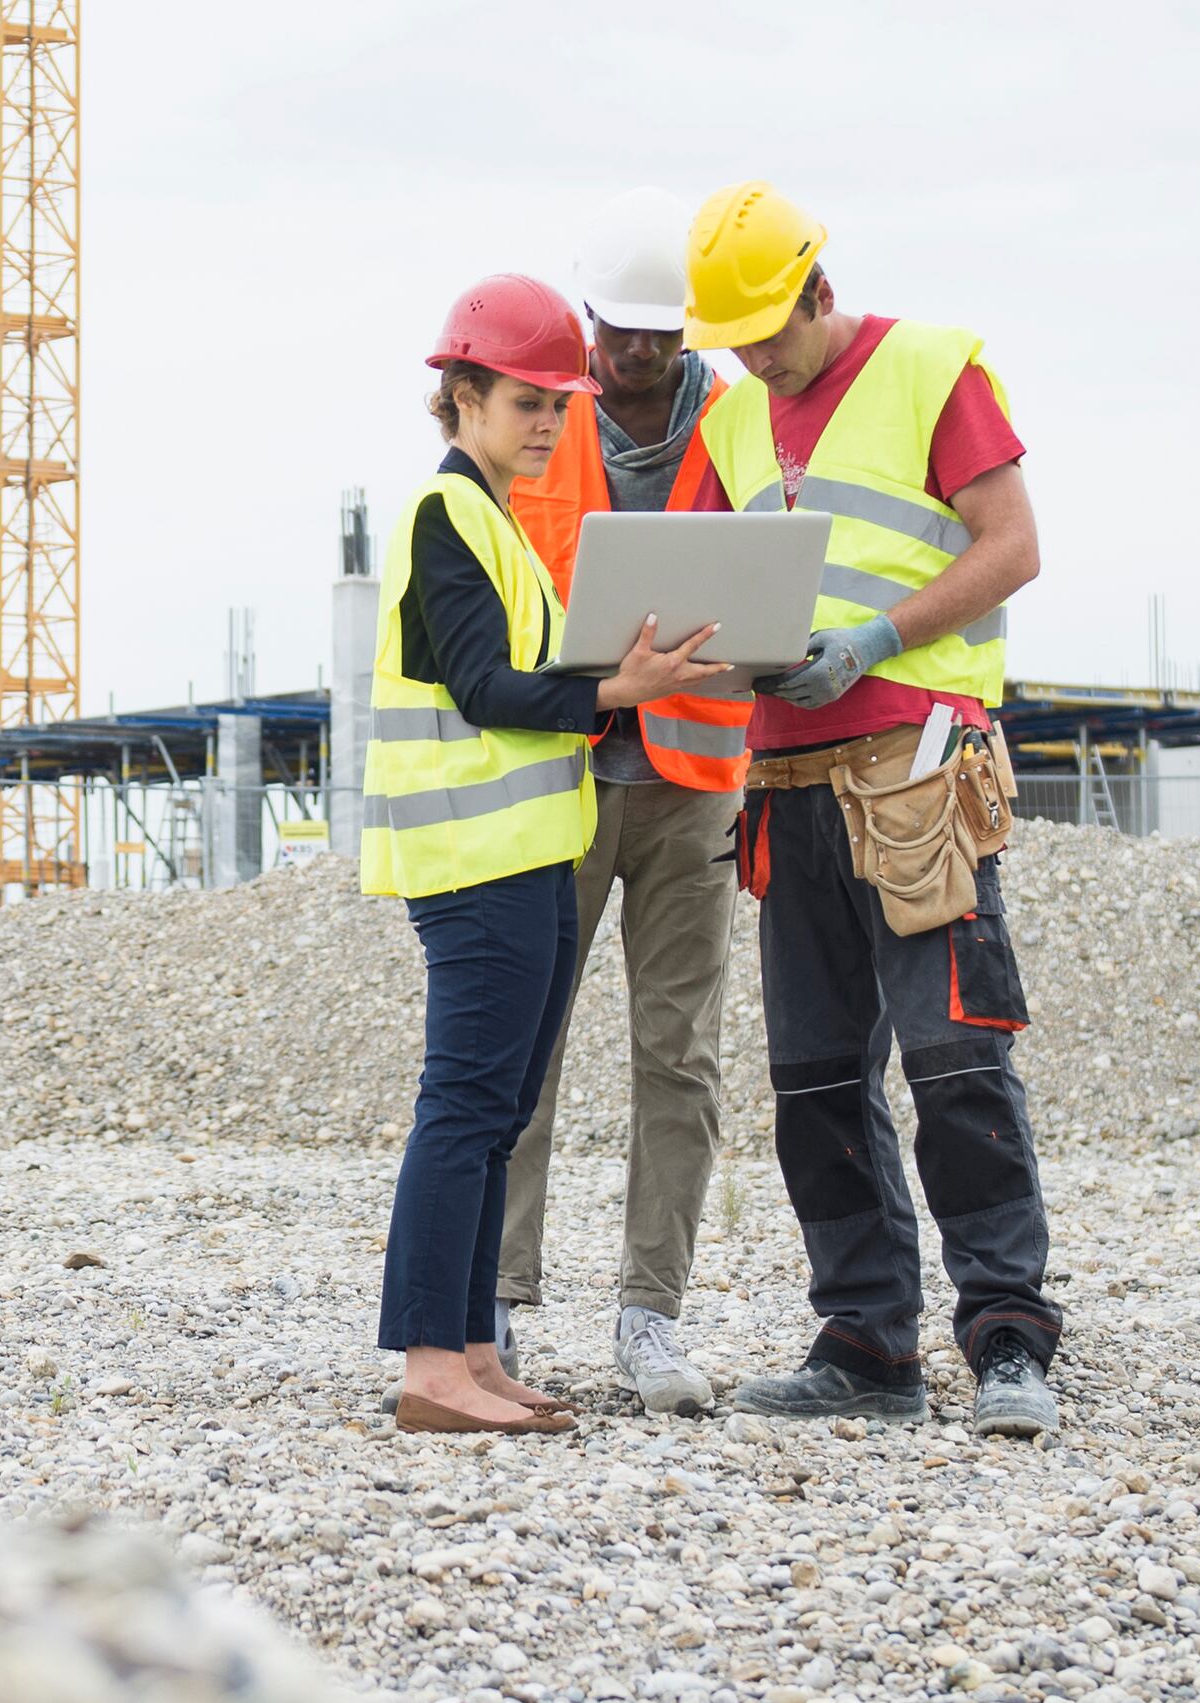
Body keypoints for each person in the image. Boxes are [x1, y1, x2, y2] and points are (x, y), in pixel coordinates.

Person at [682, 183, 1068, 1439]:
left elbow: (1009, 544)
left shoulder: (928, 369)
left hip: (913, 766)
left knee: (954, 1057)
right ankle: (864, 1340)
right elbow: (689, 579)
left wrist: (871, 640)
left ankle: (1006, 1333)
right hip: (784, 781)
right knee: (812, 1081)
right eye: (730, 339)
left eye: (765, 331)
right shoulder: (732, 422)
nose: (751, 357)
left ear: (817, 288)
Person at [363, 272, 723, 1437]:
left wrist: (619, 684)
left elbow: (520, 680)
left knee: (499, 1097)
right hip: (475, 863)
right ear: (460, 394)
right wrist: (619, 688)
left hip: (525, 854)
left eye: (555, 406)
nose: (546, 423)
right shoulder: (446, 517)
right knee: (464, 1106)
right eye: (526, 399)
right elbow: (485, 687)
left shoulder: (497, 522)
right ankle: (431, 1366)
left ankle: (474, 1345)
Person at [482, 199, 771, 1417]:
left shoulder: (737, 415)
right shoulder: (552, 417)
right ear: (590, 317)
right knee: (523, 1045)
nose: (633, 356)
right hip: (569, 771)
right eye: (618, 333)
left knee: (679, 1058)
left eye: (655, 337)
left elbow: (775, 548)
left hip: (695, 780)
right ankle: (490, 1298)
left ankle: (648, 1315)